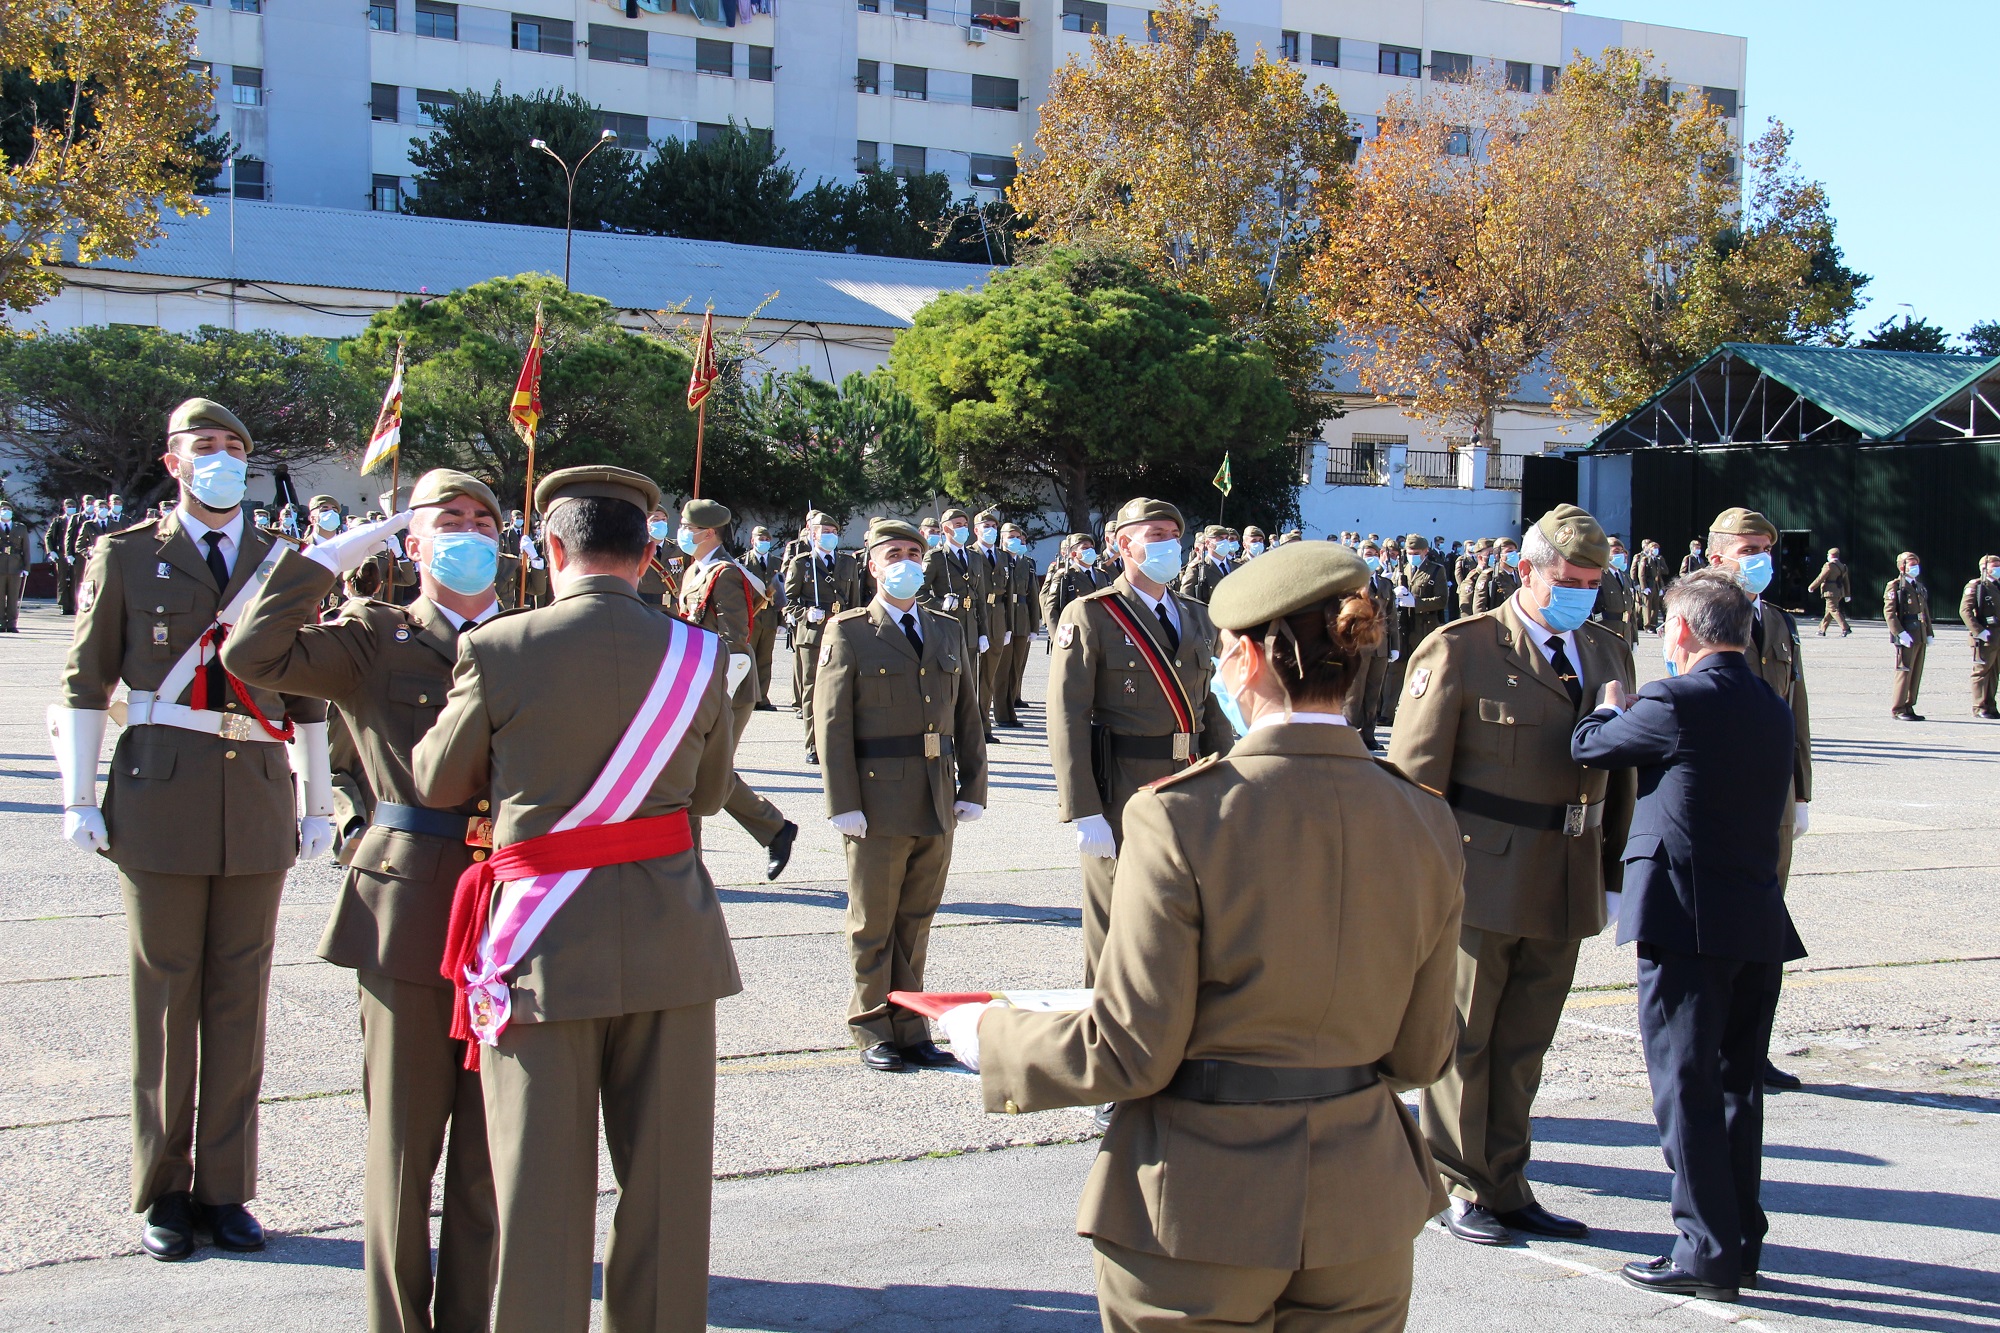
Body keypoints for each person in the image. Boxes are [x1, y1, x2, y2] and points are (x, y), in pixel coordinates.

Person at [944, 541, 1464, 1333]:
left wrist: (990, 1033)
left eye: (1223, 651)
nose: (1217, 668)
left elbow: (1129, 1048)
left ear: (1250, 659)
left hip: (1200, 1203)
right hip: (1364, 1205)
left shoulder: (1181, 812)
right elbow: (1424, 1053)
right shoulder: (1426, 815)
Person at [413, 464, 740, 1333]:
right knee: (668, 1194)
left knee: (542, 1198)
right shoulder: (699, 653)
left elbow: (440, 781)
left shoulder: (498, 646)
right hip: (673, 943)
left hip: (542, 951)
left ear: (550, 546)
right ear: (646, 553)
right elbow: (707, 796)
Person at [51, 398, 334, 1261]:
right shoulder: (129, 554)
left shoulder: (284, 561)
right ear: (171, 461)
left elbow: (310, 694)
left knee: (239, 1001)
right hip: (157, 796)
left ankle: (226, 1189)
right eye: (203, 446)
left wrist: (317, 800)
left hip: (253, 797)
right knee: (165, 1001)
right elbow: (84, 677)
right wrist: (77, 794)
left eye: (233, 448)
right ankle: (165, 1188)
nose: (220, 459)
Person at [224, 469, 502, 1333]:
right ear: (410, 542)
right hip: (409, 905)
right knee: (404, 1148)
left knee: (492, 1157)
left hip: (515, 911)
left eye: (483, 519)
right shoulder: (376, 638)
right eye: (446, 519)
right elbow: (252, 654)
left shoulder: (533, 640)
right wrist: (325, 558)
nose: (468, 531)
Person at [1388, 504, 1636, 1247]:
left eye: (1593, 581)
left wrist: (1616, 869)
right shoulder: (1462, 648)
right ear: (1525, 570)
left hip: (1567, 872)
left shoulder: (1608, 650)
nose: (1582, 592)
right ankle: (1460, 1184)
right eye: (1568, 579)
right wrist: (1418, 884)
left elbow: (1622, 772)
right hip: (1480, 874)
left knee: (1525, 1041)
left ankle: (1507, 1180)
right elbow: (1415, 780)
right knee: (1465, 1037)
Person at [1572, 568, 1801, 1303]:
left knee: (1685, 1085)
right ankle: (1739, 1241)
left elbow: (1589, 747)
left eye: (1668, 626)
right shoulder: (1768, 700)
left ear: (1685, 631)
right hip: (1755, 917)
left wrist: (1608, 708)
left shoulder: (1677, 698)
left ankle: (1704, 1245)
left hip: (1687, 916)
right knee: (1736, 1087)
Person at [814, 518, 988, 1073]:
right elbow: (833, 723)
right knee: (873, 922)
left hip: (936, 795)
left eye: (915, 551)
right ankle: (871, 1027)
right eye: (894, 553)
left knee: (916, 919)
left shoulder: (944, 629)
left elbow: (969, 714)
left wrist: (974, 786)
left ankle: (911, 1025)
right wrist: (842, 801)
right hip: (876, 798)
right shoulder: (849, 631)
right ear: (872, 564)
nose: (907, 561)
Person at [1049, 498, 1233, 994]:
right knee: (1116, 923)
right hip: (1123, 791)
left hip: (1192, 783)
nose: (1169, 543)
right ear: (1122, 544)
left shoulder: (1196, 615)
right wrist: (1083, 810)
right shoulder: (1092, 615)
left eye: (1174, 533)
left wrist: (1231, 779)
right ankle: (1106, 1036)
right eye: (1155, 535)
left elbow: (1209, 704)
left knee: (1184, 914)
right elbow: (1066, 716)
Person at [1702, 508, 1814, 1093]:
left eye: (1765, 547)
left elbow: (1796, 714)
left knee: (1766, 928)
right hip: (1725, 801)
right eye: (1748, 548)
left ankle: (1751, 1050)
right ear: (1717, 553)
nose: (1760, 559)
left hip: (1773, 800)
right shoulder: (1698, 615)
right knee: (1724, 931)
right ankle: (1714, 1049)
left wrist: (1801, 791)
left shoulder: (1776, 620)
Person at [678, 498, 799, 878]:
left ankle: (689, 867)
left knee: (699, 771)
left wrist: (713, 689)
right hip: (697, 684)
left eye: (687, 526)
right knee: (698, 772)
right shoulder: (694, 570)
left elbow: (735, 639)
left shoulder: (724, 573)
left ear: (708, 532)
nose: (682, 532)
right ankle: (771, 831)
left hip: (725, 688)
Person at [784, 510, 862, 758]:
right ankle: (814, 744)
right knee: (812, 689)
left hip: (841, 634)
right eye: (825, 532)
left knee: (842, 690)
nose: (830, 537)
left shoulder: (848, 563)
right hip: (813, 635)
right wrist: (805, 614)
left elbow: (854, 601)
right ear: (813, 535)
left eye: (834, 533)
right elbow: (788, 600)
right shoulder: (801, 563)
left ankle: (839, 742)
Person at [921, 507, 991, 726]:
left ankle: (972, 726)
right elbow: (919, 591)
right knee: (948, 678)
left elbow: (980, 597)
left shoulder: (974, 557)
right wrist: (939, 604)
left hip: (970, 627)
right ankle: (946, 724)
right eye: (958, 525)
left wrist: (983, 633)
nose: (963, 529)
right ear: (945, 529)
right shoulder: (935, 557)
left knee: (970, 681)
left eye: (965, 525)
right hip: (946, 625)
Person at [1345, 538, 1401, 752]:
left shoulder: (1385, 584)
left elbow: (1391, 617)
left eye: (1373, 554)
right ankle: (1350, 734)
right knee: (1354, 693)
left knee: (1373, 693)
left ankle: (1369, 734)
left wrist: (1394, 645)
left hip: (1380, 646)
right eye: (1366, 554)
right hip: (1359, 645)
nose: (1370, 558)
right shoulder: (1351, 583)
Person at [972, 509, 1015, 737]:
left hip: (997, 616)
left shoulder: (1003, 556)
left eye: (994, 527)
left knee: (989, 676)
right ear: (976, 530)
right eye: (986, 526)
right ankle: (973, 726)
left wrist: (1008, 626)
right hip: (976, 615)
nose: (991, 530)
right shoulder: (970, 554)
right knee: (972, 677)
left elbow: (1008, 593)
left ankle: (985, 726)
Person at [1885, 551, 1934, 721]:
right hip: (1906, 634)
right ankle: (1898, 708)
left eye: (1916, 564)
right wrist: (1899, 633)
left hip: (1919, 634)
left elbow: (1924, 612)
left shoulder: (1918, 586)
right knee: (1904, 671)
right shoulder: (1896, 586)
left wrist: (1929, 632)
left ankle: (1909, 705)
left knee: (1916, 672)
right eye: (1911, 564)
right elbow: (1889, 613)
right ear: (1901, 567)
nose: (1915, 567)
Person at [999, 522, 1040, 719]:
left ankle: (1014, 699)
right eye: (1012, 538)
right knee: (1003, 666)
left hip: (1022, 617)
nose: (1017, 542)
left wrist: (1034, 625)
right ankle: (1003, 707)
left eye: (1020, 538)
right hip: (1003, 616)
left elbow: (1033, 595)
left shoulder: (1026, 563)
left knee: (1017, 664)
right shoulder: (999, 560)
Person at [744, 524, 783, 710]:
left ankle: (762, 698)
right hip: (751, 615)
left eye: (767, 540)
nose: (764, 543)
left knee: (765, 658)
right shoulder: (743, 562)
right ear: (752, 541)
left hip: (770, 617)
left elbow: (783, 594)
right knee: (748, 657)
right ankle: (747, 697)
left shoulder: (777, 563)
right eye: (761, 539)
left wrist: (782, 620)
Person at [1040, 534, 1110, 630]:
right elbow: (1051, 608)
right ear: (1073, 553)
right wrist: (1056, 637)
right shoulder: (1065, 576)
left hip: (1101, 629)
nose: (1090, 551)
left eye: (1091, 548)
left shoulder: (1102, 575)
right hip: (1076, 629)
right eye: (1085, 548)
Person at [1962, 555, 2000, 720]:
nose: (1998, 568)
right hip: (1985, 635)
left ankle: (1990, 705)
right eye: (1995, 566)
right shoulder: (1976, 586)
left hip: (1998, 636)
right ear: (1984, 568)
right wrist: (1978, 630)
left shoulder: (1997, 586)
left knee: (1994, 673)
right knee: (1981, 672)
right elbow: (1965, 611)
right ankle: (1979, 706)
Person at [1594, 537, 1639, 646]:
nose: (1621, 555)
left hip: (1626, 632)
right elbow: (1593, 608)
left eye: (1622, 552)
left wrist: (1634, 638)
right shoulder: (1599, 576)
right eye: (1616, 551)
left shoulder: (1626, 577)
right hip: (1606, 631)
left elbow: (1631, 611)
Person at [1177, 526, 1234, 604]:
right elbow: (1186, 600)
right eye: (1220, 538)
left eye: (1226, 538)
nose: (1224, 541)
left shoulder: (1237, 567)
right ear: (1207, 543)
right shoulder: (1196, 569)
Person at [45, 497, 79, 613]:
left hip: (75, 553)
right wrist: (51, 551)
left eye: (73, 506)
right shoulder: (58, 521)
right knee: (62, 579)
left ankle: (74, 605)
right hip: (61, 553)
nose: (71, 509)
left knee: (75, 579)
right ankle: (63, 605)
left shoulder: (79, 520)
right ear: (64, 508)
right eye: (68, 506)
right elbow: (49, 537)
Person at [1807, 547, 1851, 637]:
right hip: (1839, 592)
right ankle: (1821, 630)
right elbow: (1846, 581)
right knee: (1829, 612)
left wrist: (1812, 586)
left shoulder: (1829, 565)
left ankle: (1845, 628)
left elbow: (1821, 577)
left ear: (1831, 555)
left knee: (1833, 610)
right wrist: (1847, 594)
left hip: (1830, 591)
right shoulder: (1843, 566)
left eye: (1828, 555)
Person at [1470, 538, 1520, 614]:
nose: (1514, 554)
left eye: (1515, 551)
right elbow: (1479, 608)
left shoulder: (1519, 575)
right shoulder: (1489, 576)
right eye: (1509, 551)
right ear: (1497, 555)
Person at [0, 497, 26, 631]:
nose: (6, 511)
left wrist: (26, 567)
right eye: (3, 509)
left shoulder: (20, 528)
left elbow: (25, 549)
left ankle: (12, 623)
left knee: (13, 597)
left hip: (15, 567)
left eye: (8, 509)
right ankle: (0, 623)